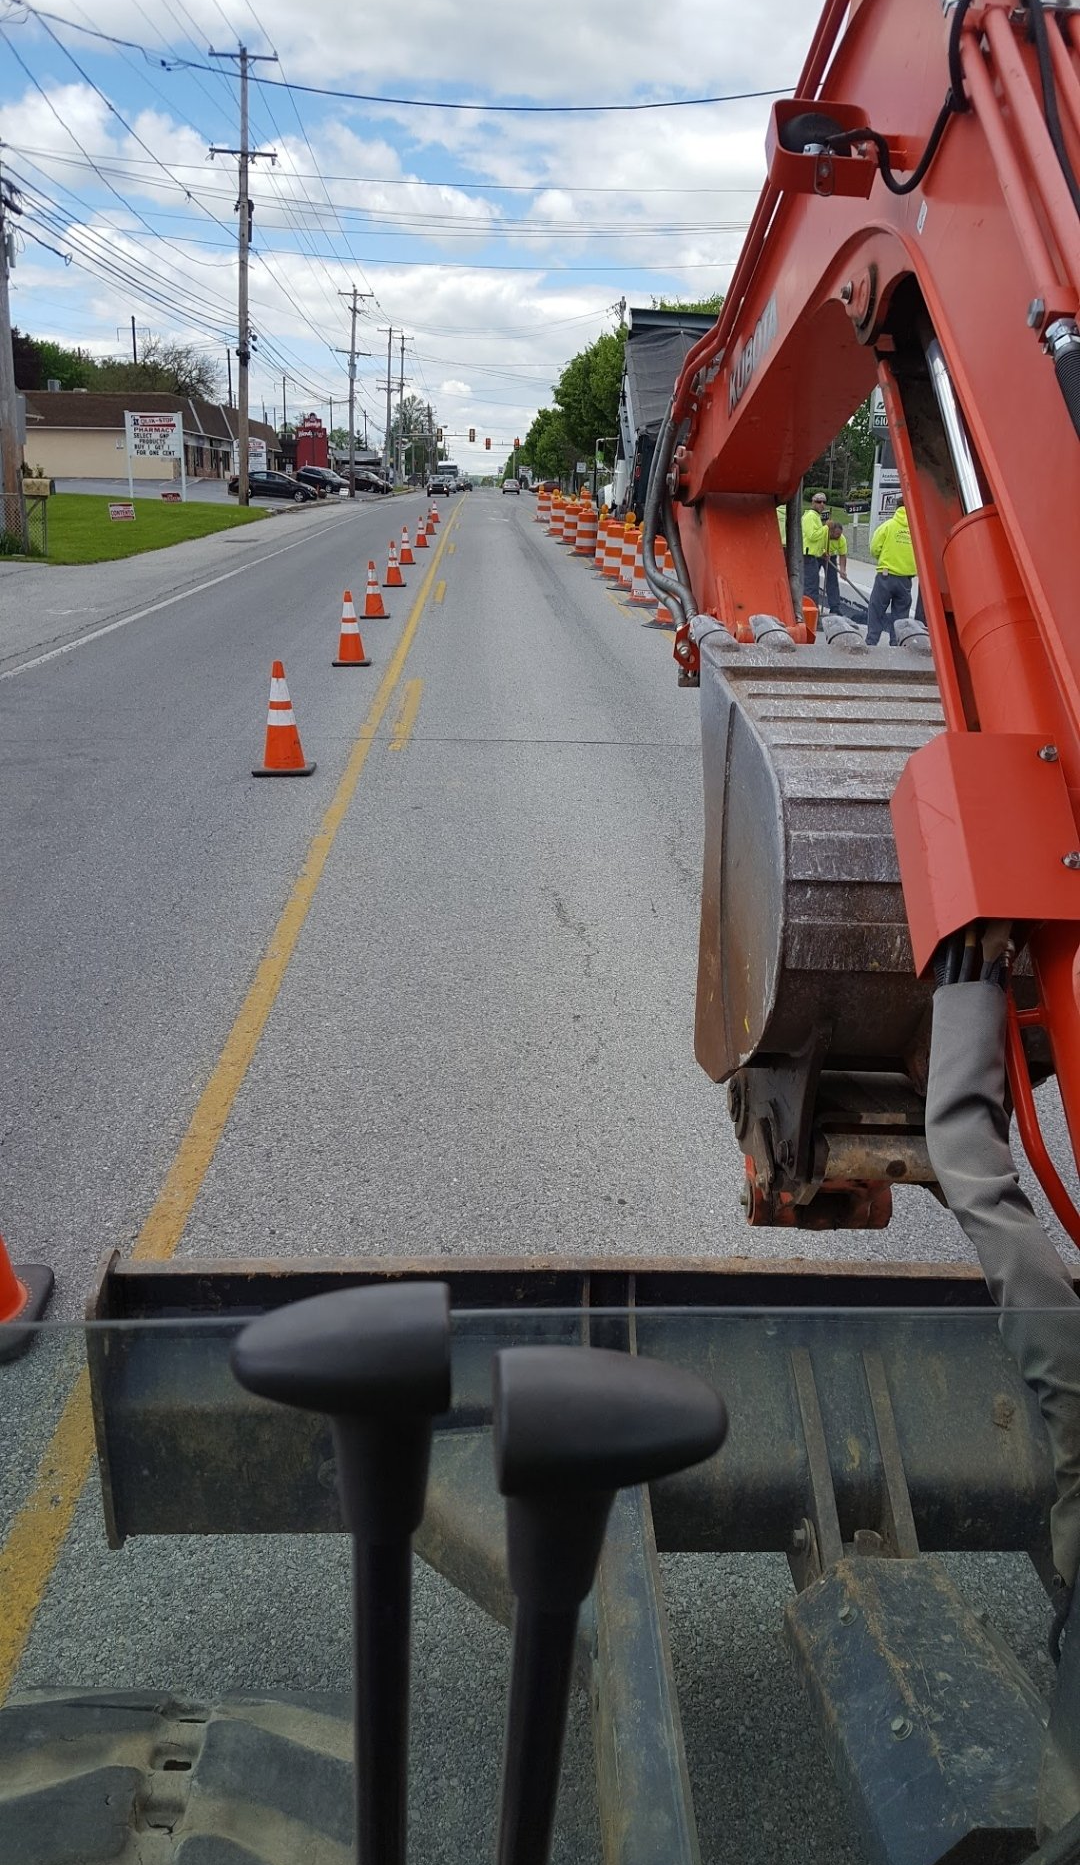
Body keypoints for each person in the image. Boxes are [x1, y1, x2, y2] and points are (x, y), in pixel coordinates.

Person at [867, 502, 917, 646]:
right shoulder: (915, 529)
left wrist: (882, 558)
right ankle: (896, 644)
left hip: (886, 576)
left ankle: (872, 642)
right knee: (901, 615)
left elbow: (874, 548)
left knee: (876, 609)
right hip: (906, 579)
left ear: (896, 508)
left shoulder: (888, 526)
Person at [801, 492, 830, 605]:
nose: (822, 504)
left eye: (824, 502)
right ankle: (810, 612)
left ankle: (811, 611)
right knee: (810, 586)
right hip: (807, 556)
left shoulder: (816, 517)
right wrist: (826, 527)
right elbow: (812, 536)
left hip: (812, 556)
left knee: (812, 585)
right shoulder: (810, 516)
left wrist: (822, 552)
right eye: (818, 502)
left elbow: (817, 540)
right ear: (813, 502)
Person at [824, 519, 848, 612]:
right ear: (831, 532)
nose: (839, 536)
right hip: (817, 556)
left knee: (832, 582)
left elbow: (842, 555)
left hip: (831, 557)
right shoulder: (824, 535)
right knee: (812, 580)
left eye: (840, 534)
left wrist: (842, 570)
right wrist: (823, 553)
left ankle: (834, 608)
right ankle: (812, 606)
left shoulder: (841, 539)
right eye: (837, 534)